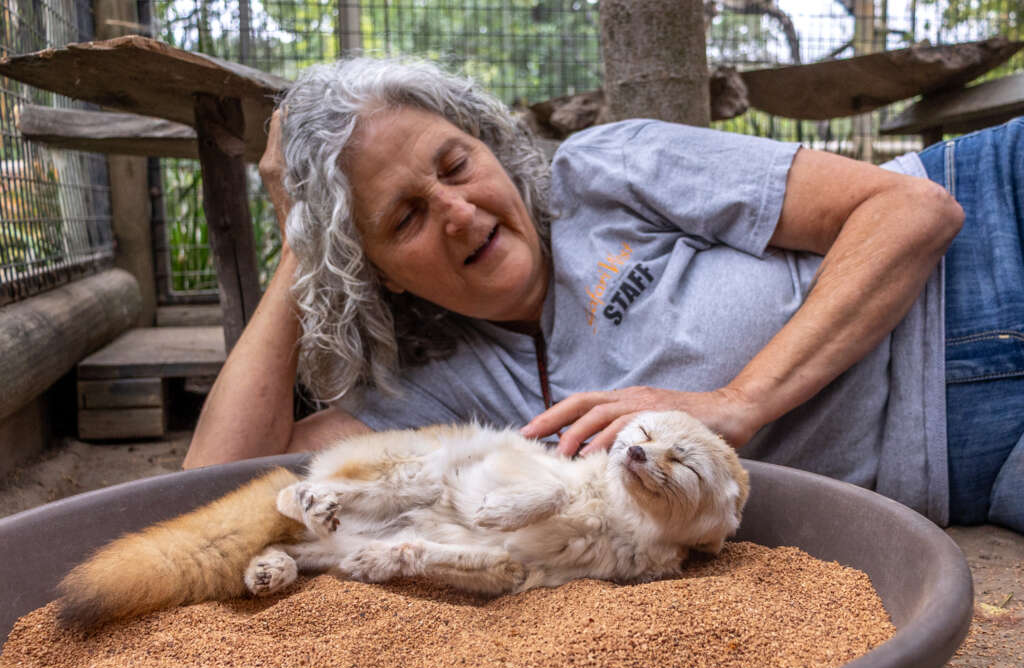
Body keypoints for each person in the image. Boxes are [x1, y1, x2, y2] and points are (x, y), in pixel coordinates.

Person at [182, 56, 1024, 534]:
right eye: (405, 217)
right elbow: (211, 490)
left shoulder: (605, 172)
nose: (459, 210)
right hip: (971, 461)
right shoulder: (422, 394)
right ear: (378, 271)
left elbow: (912, 209)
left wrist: (734, 403)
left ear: (488, 145)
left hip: (997, 228)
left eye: (454, 165)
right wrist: (306, 246)